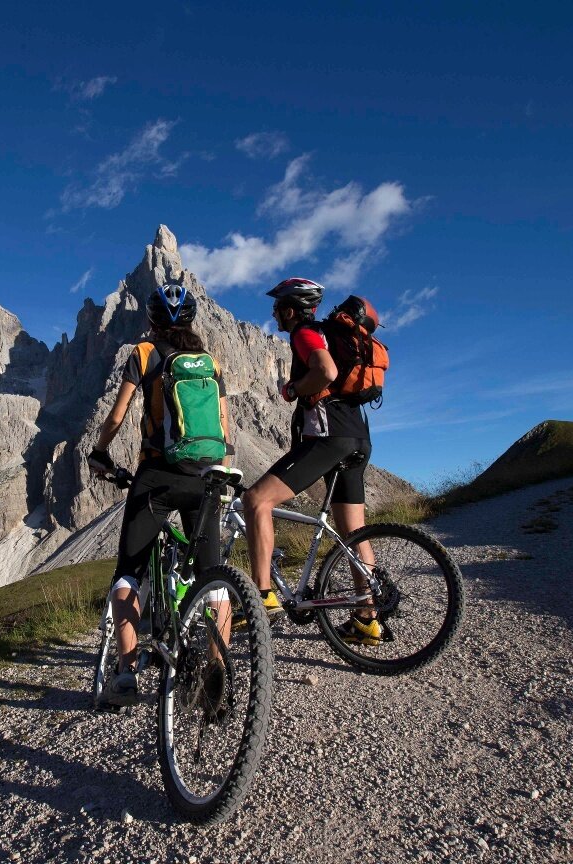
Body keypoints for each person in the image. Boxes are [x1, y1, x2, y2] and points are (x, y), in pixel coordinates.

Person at [87, 283, 230, 705]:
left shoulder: (145, 354)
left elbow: (117, 415)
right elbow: (224, 423)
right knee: (213, 578)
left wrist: (99, 453)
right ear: (191, 321)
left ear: (151, 321)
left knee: (128, 573)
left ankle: (127, 674)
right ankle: (216, 673)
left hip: (157, 478)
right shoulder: (210, 363)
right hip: (206, 476)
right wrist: (218, 473)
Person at [241, 277, 381, 644]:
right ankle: (367, 618)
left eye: (276, 308)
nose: (273, 314)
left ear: (290, 309)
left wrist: (292, 390)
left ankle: (261, 597)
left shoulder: (304, 333)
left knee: (256, 500)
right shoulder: (325, 333)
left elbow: (326, 372)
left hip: (329, 437)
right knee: (354, 531)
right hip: (357, 437)